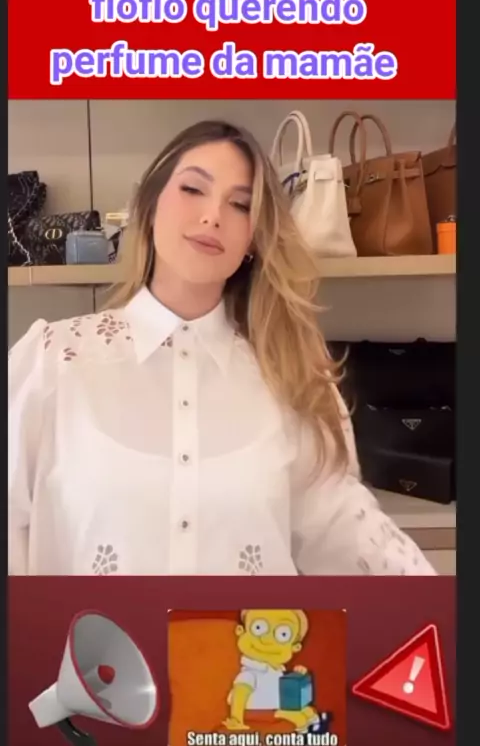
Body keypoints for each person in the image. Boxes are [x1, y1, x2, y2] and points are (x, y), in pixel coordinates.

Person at [8, 119, 435, 576]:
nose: (213, 215)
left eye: (239, 204)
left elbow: (346, 531)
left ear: (253, 238)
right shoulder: (51, 362)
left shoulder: (290, 378)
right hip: (87, 628)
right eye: (193, 189)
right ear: (149, 206)